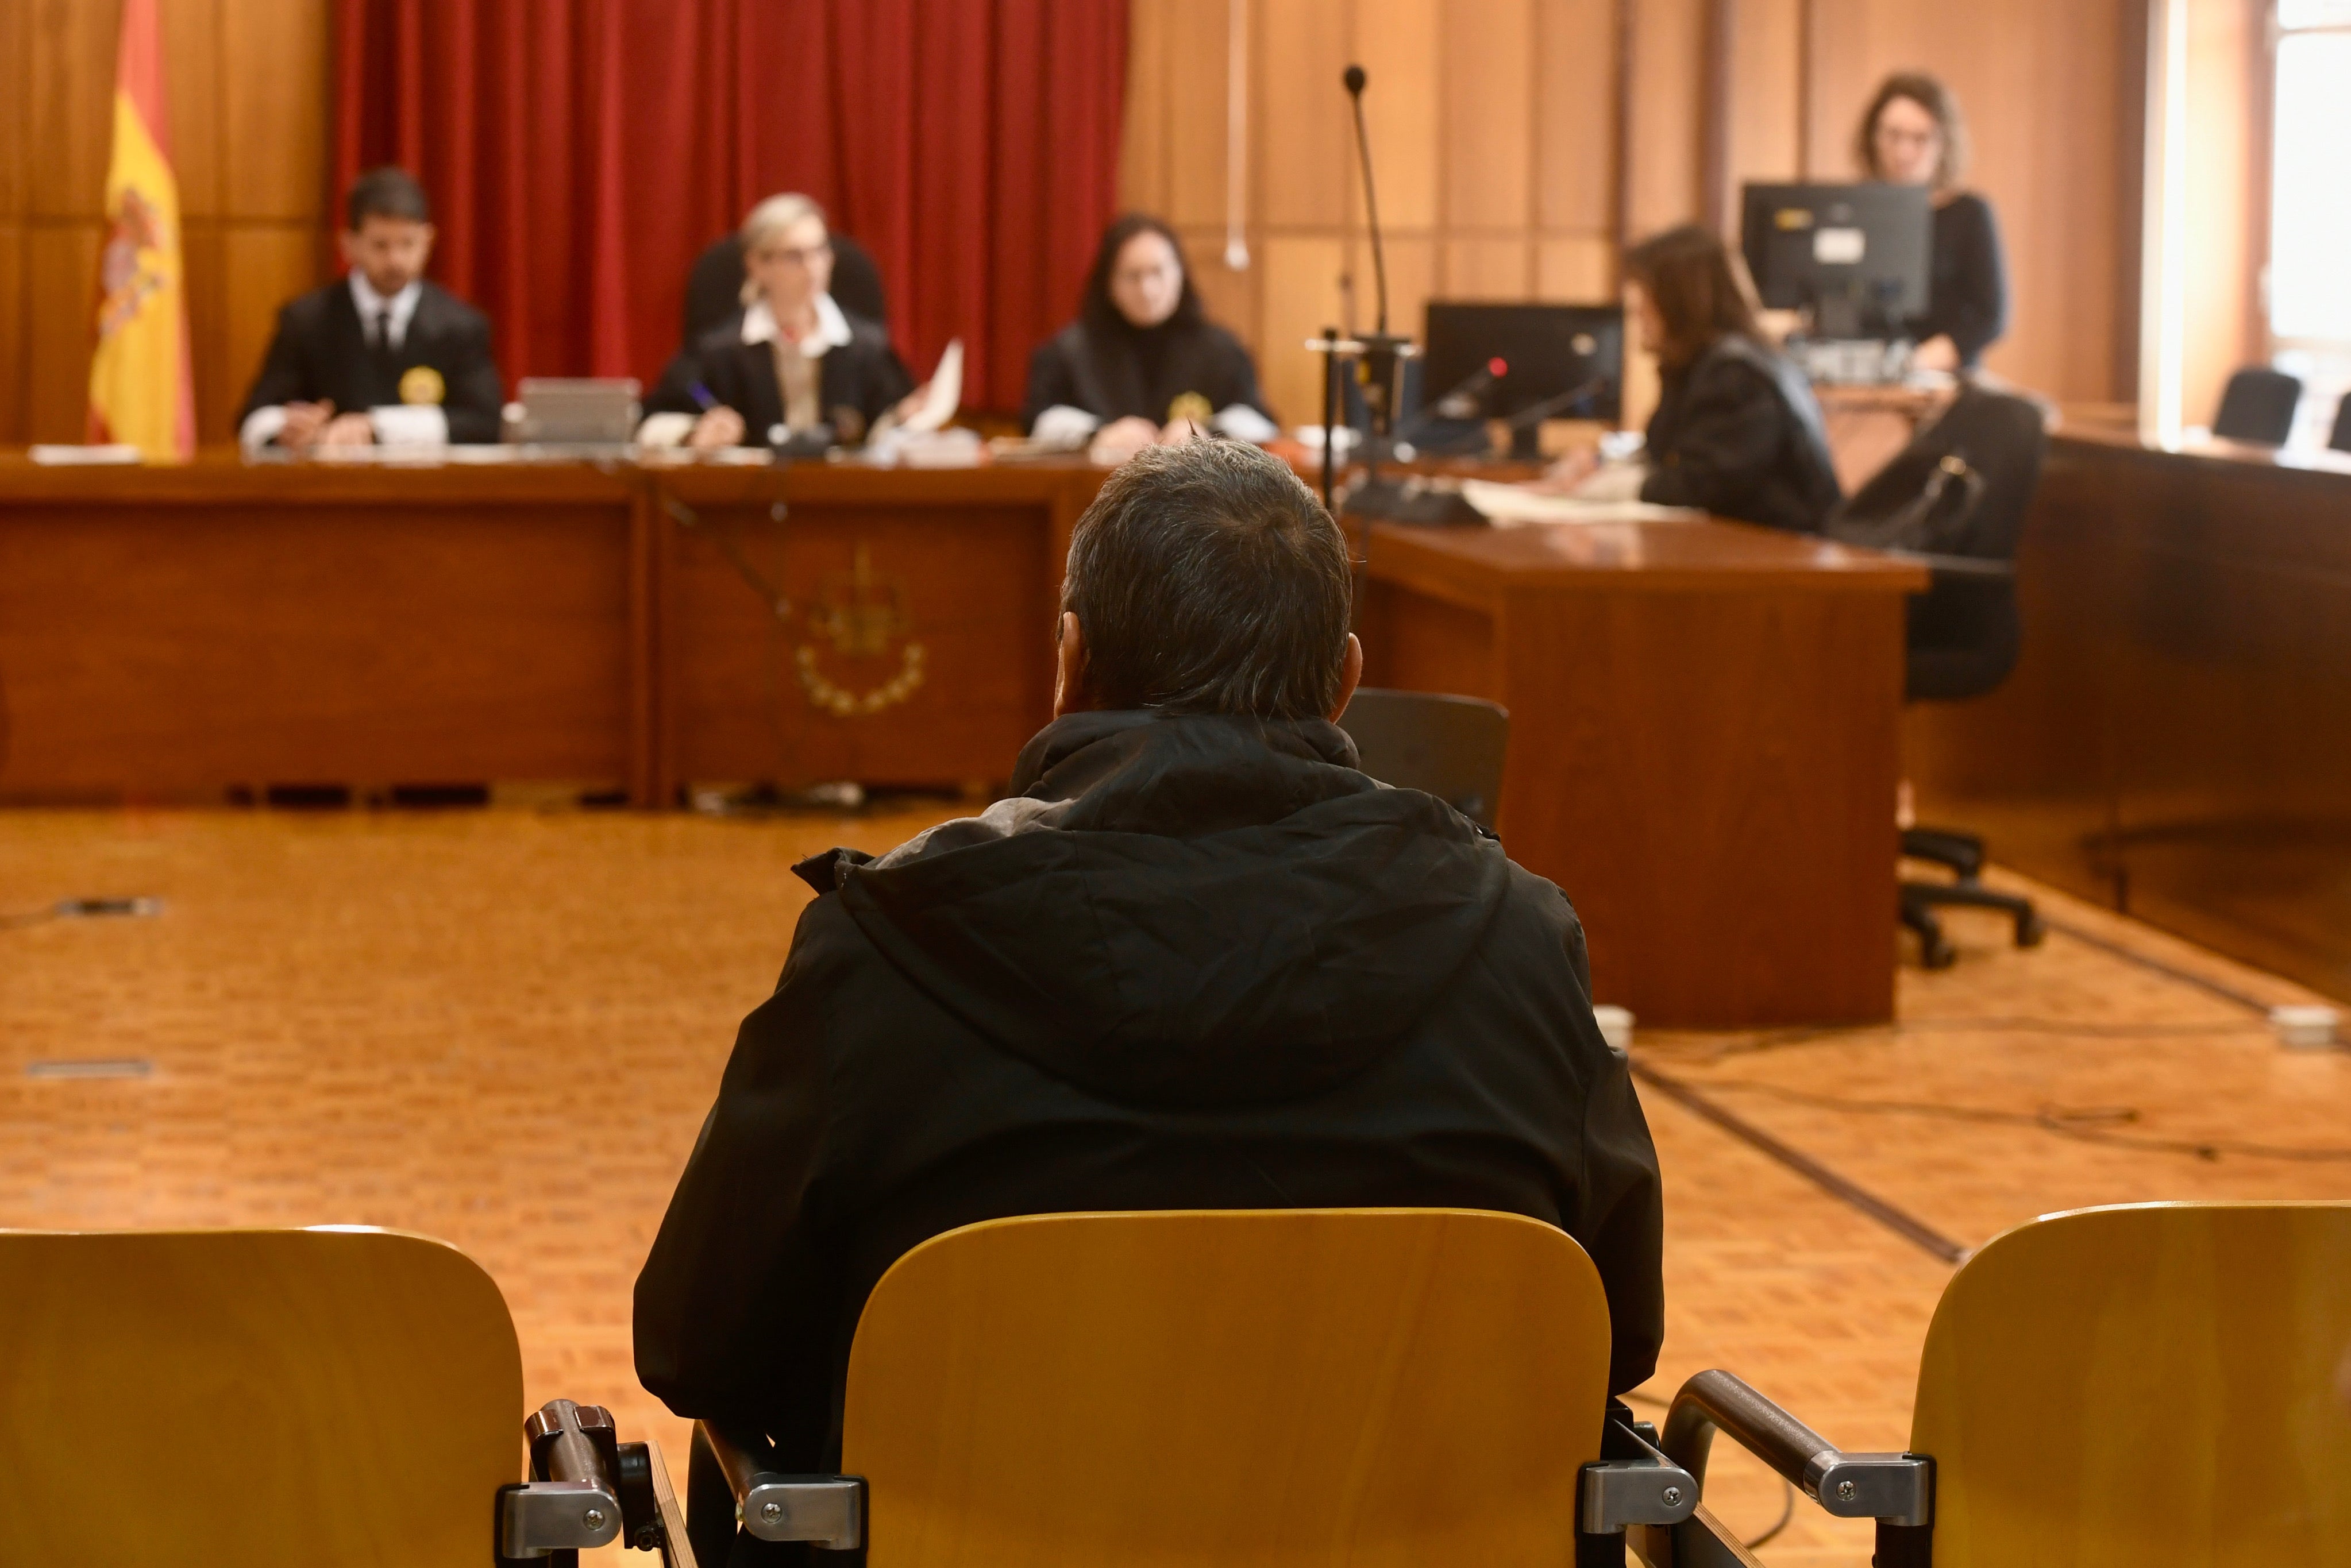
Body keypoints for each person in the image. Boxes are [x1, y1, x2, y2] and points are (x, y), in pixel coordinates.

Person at [634, 441, 1665, 1510]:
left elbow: (695, 1344)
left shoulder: (883, 948)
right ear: (1347, 682)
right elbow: (1615, 1330)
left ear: (1069, 663)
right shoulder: (1519, 939)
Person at [1550, 225, 1841, 534]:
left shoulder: (1738, 375)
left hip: (1787, 560)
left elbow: (1701, 485)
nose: (1638, 309)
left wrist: (1593, 488)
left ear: (1679, 300)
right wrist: (1600, 465)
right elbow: (1664, 455)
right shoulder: (1698, 367)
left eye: (1647, 295)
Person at [237, 167, 503, 451]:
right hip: (334, 488)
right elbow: (254, 419)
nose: (395, 260)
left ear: (428, 241)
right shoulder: (307, 321)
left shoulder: (461, 325)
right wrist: (286, 429)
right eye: (380, 246)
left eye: (407, 244)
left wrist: (377, 426)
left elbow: (485, 422)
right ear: (349, 245)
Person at [642, 194, 915, 451]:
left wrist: (905, 418)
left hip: (847, 495)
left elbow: (892, 422)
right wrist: (694, 432)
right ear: (757, 266)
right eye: (795, 256)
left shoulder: (866, 346)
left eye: (820, 251)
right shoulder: (718, 350)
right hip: (746, 496)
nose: (813, 267)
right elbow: (652, 422)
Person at [1021, 214, 1277, 461]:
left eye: (1158, 272)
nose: (1147, 290)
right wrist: (1097, 434)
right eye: (1132, 276)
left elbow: (1259, 421)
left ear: (1179, 275)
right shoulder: (1069, 352)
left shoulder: (1222, 350)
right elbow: (1038, 422)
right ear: (1109, 282)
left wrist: (1206, 432)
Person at [1857, 72, 2006, 372]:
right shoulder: (1855, 210)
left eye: (1920, 138)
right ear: (1873, 137)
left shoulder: (1969, 214)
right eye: (1893, 135)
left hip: (1946, 380)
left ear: (1943, 143)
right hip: (1866, 375)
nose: (1904, 152)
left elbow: (1990, 316)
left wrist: (1918, 363)